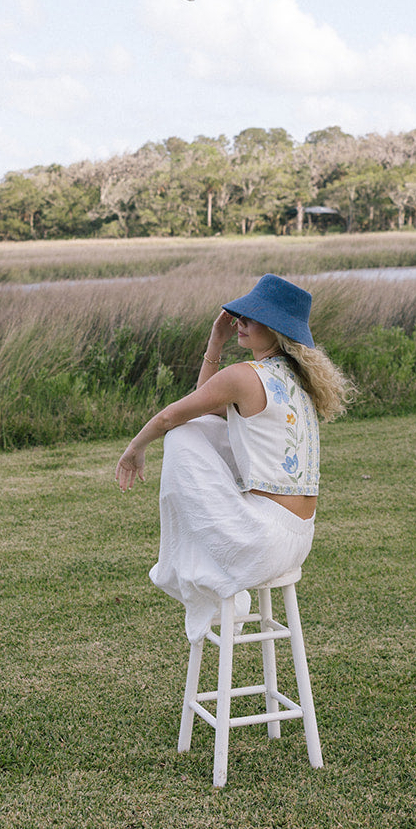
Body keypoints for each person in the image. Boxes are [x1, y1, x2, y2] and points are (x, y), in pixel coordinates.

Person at [115, 273, 353, 641]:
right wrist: (216, 342)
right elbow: (206, 408)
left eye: (252, 317)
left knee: (179, 433)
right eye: (240, 315)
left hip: (263, 542)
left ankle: (197, 571)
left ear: (275, 329)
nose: (240, 322)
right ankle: (209, 568)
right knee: (201, 427)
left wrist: (134, 450)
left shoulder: (244, 377)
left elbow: (170, 417)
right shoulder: (297, 379)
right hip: (298, 540)